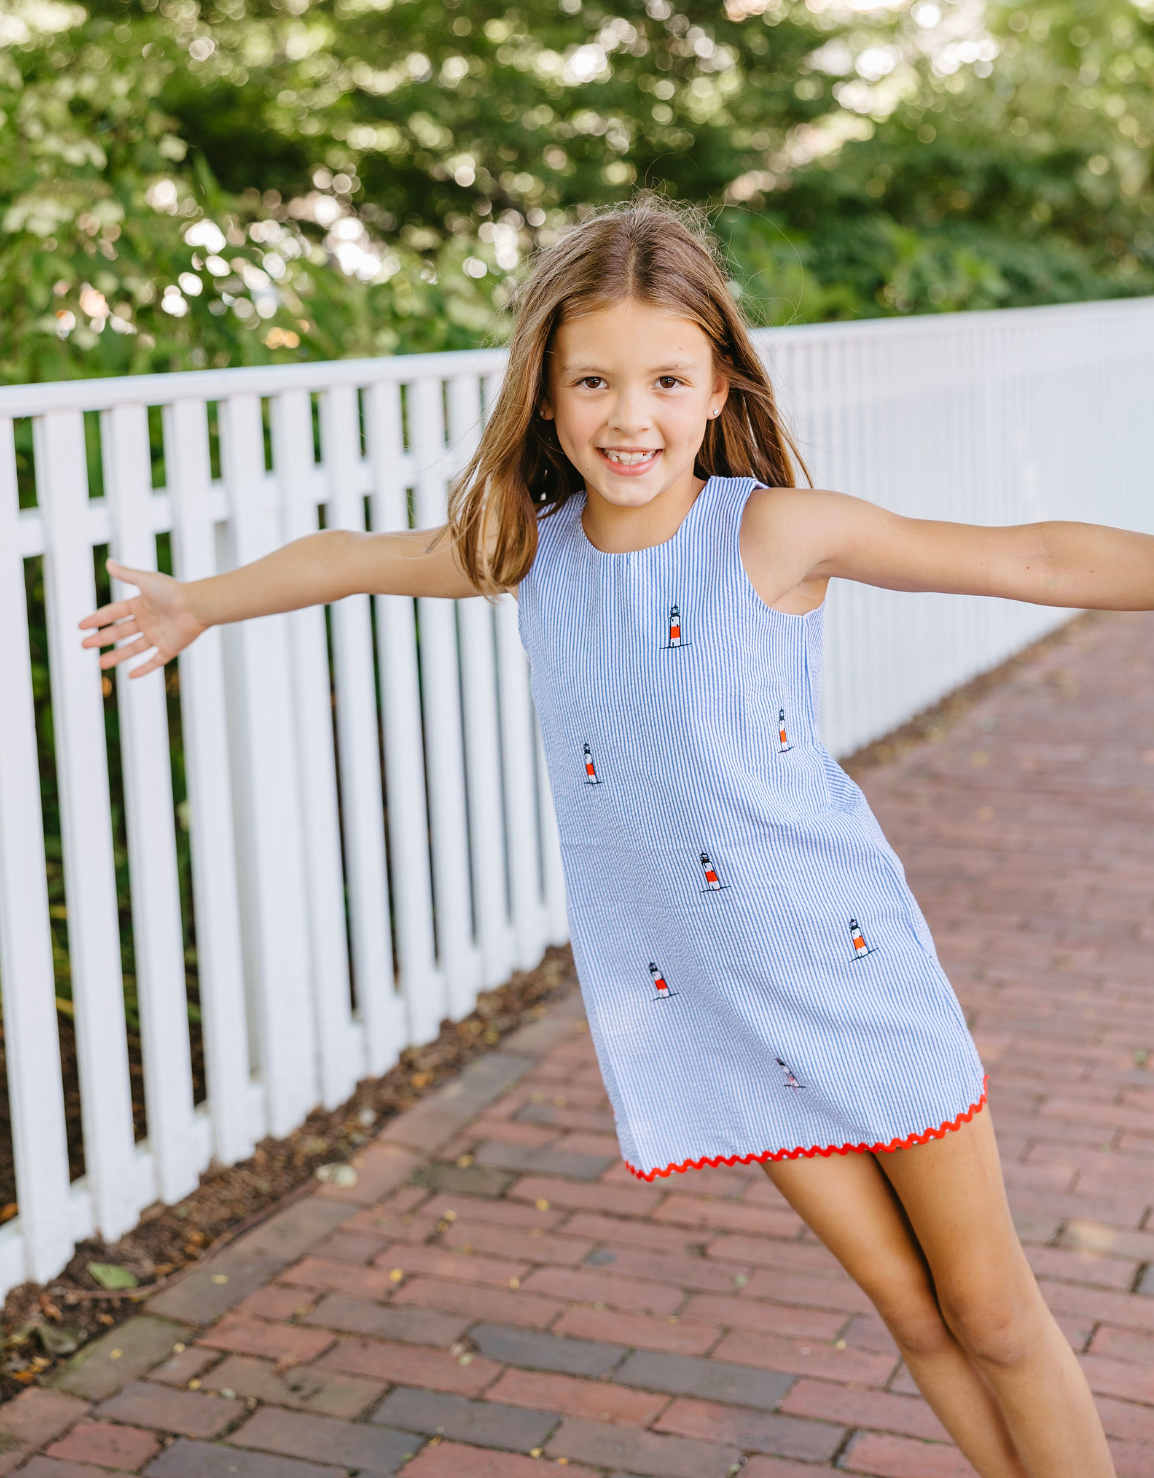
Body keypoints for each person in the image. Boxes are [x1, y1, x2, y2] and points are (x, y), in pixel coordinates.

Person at [80, 196, 1144, 1477]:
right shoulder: (531, 553)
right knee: (910, 1315)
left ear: (715, 388)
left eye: (662, 379)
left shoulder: (768, 530)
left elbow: (1028, 557)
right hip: (706, 999)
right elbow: (348, 555)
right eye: (591, 379)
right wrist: (200, 601)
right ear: (543, 394)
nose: (625, 415)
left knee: (987, 1311)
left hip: (854, 971)